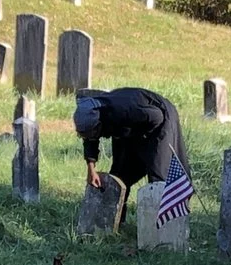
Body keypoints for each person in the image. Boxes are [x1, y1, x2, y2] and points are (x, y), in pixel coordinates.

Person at [73, 87, 187, 215]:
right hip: (128, 129)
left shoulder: (123, 111)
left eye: (93, 132)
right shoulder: (90, 115)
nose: (90, 136)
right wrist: (91, 170)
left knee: (158, 176)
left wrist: (139, 147)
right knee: (118, 176)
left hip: (160, 120)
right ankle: (114, 222)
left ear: (99, 124)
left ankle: (161, 226)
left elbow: (157, 117)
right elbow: (90, 139)